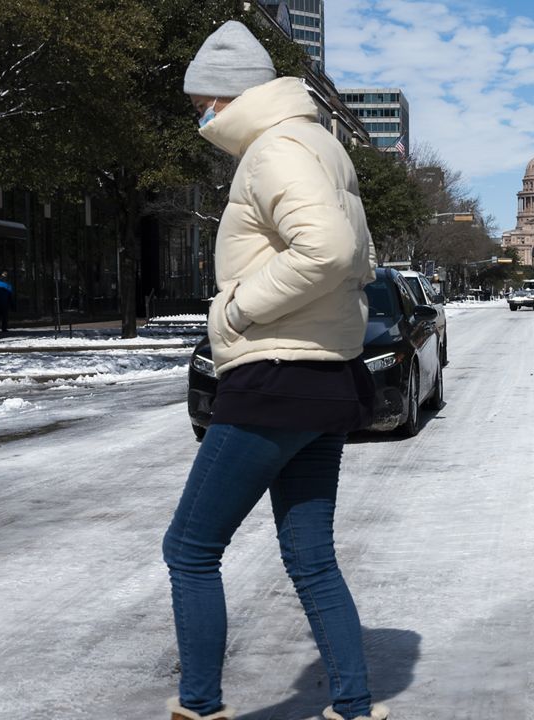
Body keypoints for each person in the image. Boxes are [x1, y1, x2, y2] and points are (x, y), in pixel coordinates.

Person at [162, 21, 388, 720]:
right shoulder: (321, 146)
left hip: (273, 378)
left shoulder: (274, 149)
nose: (201, 117)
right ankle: (353, 707)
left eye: (203, 102)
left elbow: (326, 248)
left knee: (190, 550)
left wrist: (235, 308)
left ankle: (199, 707)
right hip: (324, 381)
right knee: (311, 557)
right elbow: (364, 262)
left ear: (230, 97)